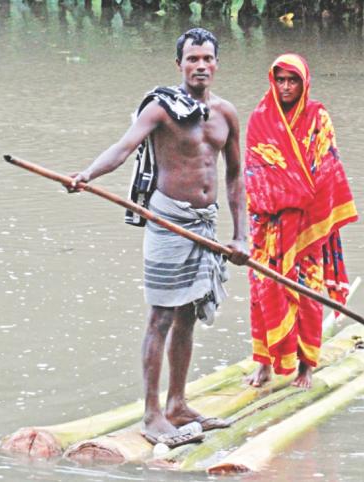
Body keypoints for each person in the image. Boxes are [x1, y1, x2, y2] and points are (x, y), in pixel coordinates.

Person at [69, 28, 249, 448]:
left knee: (187, 316)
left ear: (217, 64)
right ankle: (151, 413)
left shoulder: (227, 114)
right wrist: (87, 174)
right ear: (179, 65)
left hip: (206, 223)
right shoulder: (161, 109)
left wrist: (242, 236)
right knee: (161, 316)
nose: (200, 66)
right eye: (192, 59)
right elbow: (123, 147)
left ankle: (178, 404)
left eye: (207, 58)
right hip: (168, 221)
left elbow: (236, 175)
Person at [243, 53, 358, 389]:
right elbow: (255, 172)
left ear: (304, 82)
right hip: (270, 227)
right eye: (280, 80)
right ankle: (263, 364)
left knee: (308, 294)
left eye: (293, 80)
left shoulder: (318, 117)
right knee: (263, 292)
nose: (286, 87)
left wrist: (297, 192)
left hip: (307, 224)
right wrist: (288, 192)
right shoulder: (260, 118)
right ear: (272, 81)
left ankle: (306, 367)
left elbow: (327, 167)